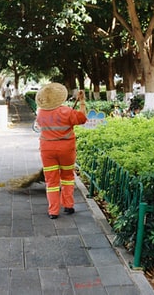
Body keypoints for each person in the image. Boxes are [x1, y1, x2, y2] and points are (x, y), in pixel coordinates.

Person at [35, 83, 87, 219]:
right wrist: (82, 102)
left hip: (47, 150)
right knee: (67, 176)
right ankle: (68, 206)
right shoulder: (67, 111)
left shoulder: (40, 113)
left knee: (51, 181)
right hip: (66, 150)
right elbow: (82, 119)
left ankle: (53, 211)